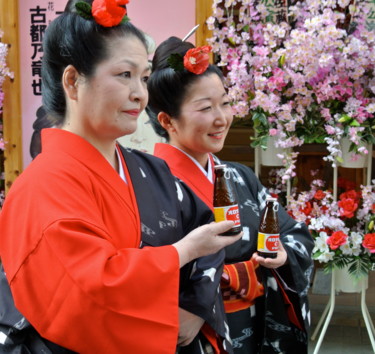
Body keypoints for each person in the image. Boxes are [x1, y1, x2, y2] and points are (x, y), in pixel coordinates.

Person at [0, 2, 243, 353]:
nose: (139, 94)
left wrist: (194, 305)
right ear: (73, 81)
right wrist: (181, 252)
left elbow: (207, 228)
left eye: (143, 78)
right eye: (124, 75)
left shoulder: (152, 170)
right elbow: (87, 293)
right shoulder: (42, 186)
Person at [146, 36, 315, 353]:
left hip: (253, 330)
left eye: (224, 103)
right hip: (194, 336)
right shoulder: (147, 187)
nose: (222, 118)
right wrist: (199, 302)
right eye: (205, 108)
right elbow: (141, 271)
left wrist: (281, 257)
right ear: (167, 120)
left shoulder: (241, 177)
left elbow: (293, 232)